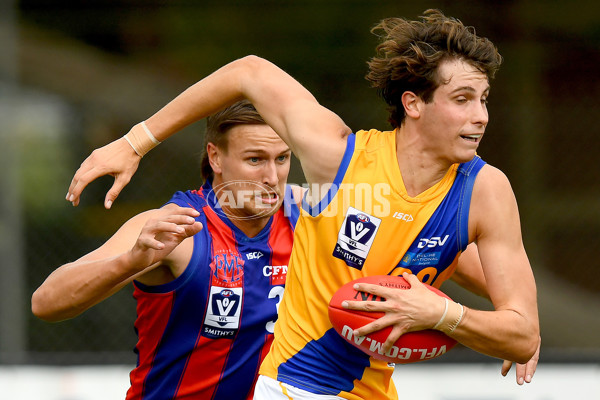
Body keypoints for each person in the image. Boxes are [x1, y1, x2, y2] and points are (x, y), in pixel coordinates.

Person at [62, 9, 540, 398]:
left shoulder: (485, 190)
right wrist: (134, 142)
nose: (480, 117)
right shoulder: (340, 157)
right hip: (293, 387)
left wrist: (445, 316)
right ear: (414, 104)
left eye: (484, 99)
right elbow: (248, 71)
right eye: (462, 99)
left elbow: (522, 333)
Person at [32, 101, 303, 399]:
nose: (272, 177)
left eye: (282, 158)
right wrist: (130, 261)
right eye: (255, 160)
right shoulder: (176, 227)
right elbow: (46, 302)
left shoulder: (307, 215)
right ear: (215, 157)